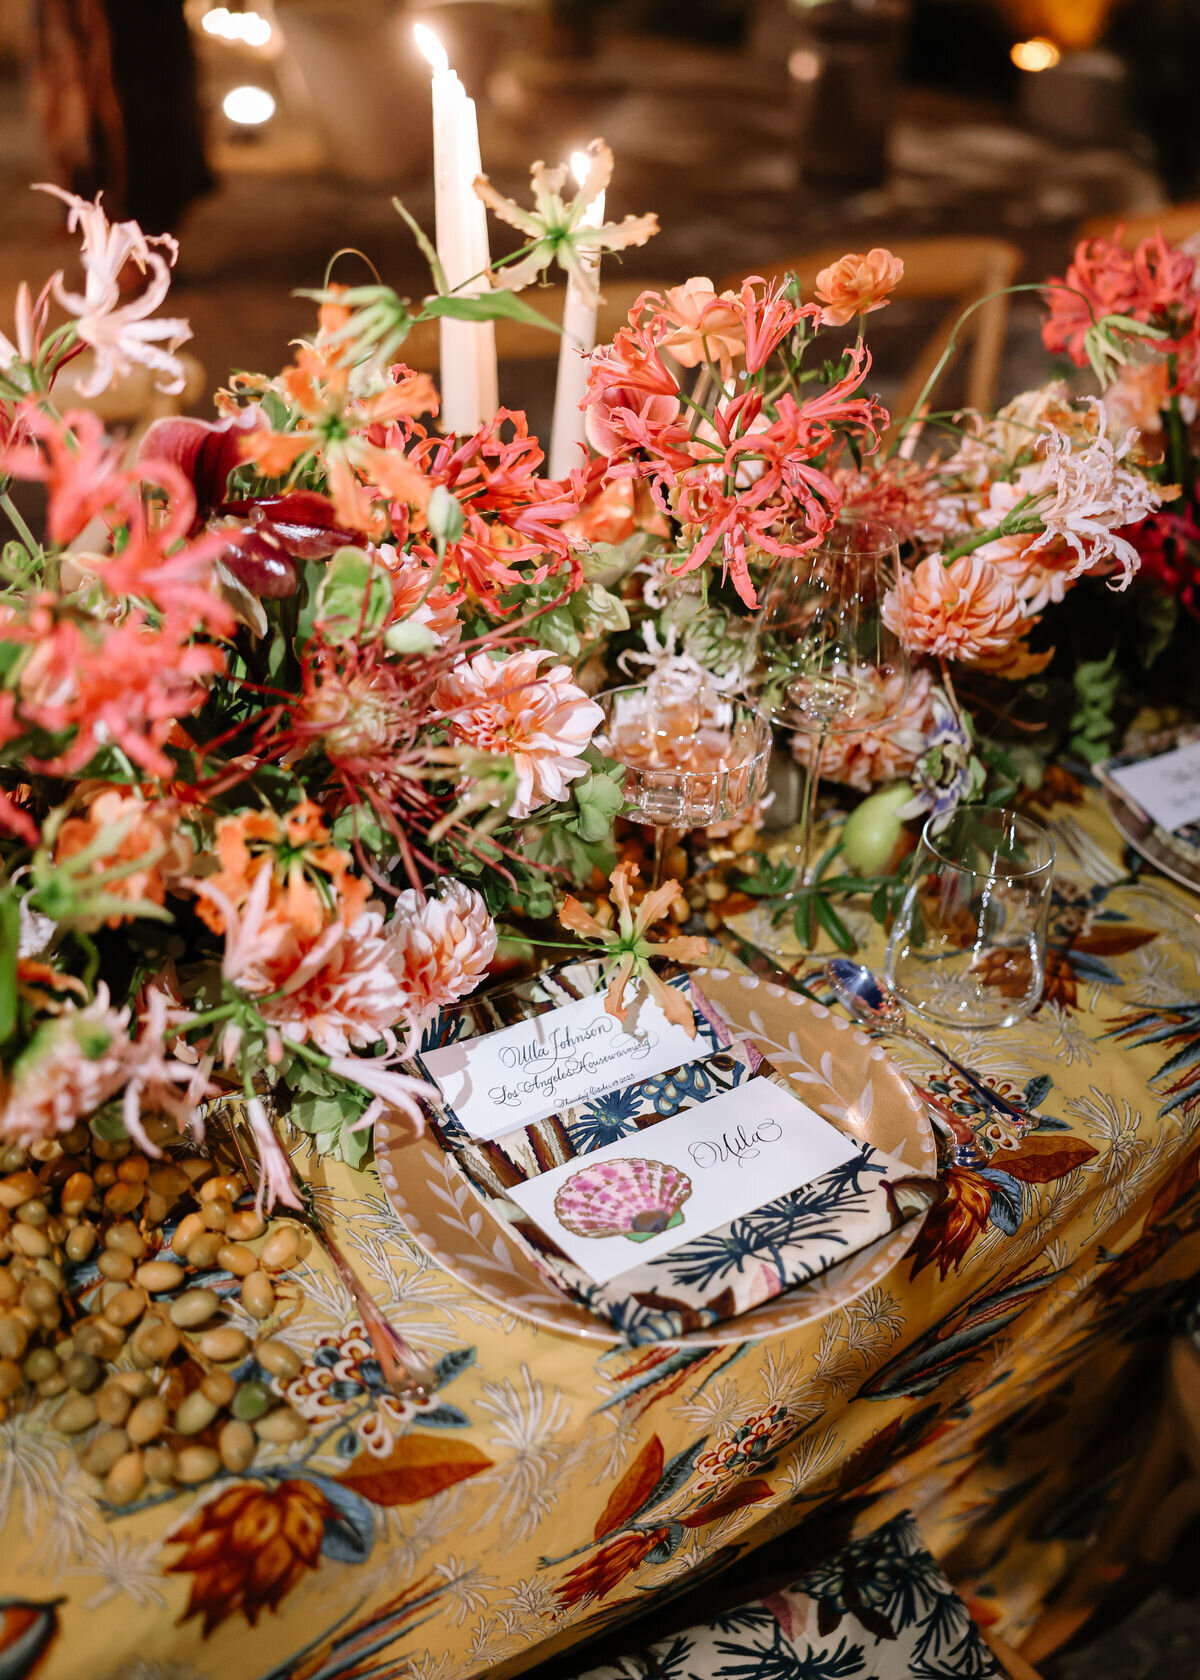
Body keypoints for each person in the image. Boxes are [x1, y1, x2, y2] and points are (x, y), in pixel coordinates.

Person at [34, 0, 212, 235]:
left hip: (138, 39)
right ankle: (108, 225)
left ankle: (145, 233)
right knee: (84, 123)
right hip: (89, 38)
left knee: (145, 114)